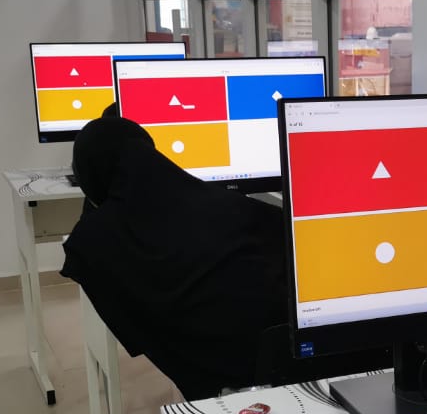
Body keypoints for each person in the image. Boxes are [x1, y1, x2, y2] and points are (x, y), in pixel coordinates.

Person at [61, 116, 287, 399]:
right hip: (289, 350)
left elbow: (135, 333)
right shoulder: (233, 204)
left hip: (219, 374)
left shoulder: (92, 243)